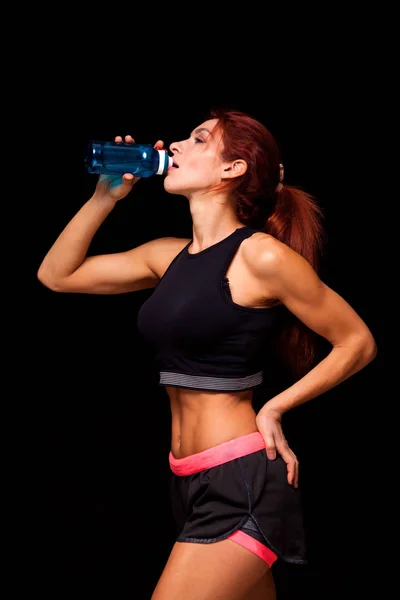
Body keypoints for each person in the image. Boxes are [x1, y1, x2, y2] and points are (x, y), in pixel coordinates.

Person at [37, 107, 377, 600]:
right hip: (187, 478)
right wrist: (103, 199)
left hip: (240, 479)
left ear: (232, 169)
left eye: (197, 139)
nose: (174, 146)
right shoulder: (166, 255)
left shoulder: (260, 256)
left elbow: (358, 341)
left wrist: (276, 407)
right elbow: (57, 276)